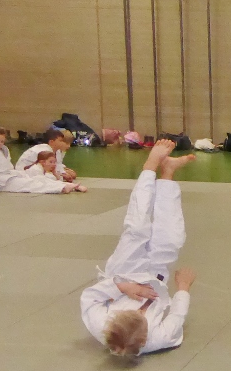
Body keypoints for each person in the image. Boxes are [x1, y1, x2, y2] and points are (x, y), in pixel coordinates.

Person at [80, 139, 197, 356]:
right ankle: (168, 172)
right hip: (155, 277)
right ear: (145, 338)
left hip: (123, 271)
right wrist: (183, 288)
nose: (141, 312)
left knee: (137, 227)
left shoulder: (101, 325)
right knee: (172, 238)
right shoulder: (158, 338)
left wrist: (122, 288)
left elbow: (89, 297)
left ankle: (150, 165)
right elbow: (176, 316)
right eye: (142, 317)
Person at [0, 127, 78, 194]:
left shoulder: (4, 149)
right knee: (30, 184)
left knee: (37, 179)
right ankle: (62, 188)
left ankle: (64, 186)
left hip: (11, 174)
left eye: (2, 141)